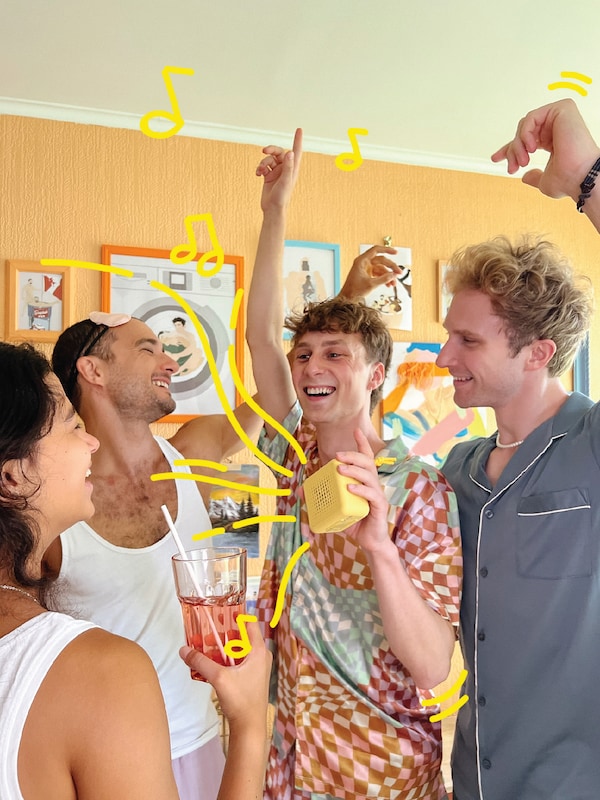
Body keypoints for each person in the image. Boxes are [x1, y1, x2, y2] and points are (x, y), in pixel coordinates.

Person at [343, 98, 600, 800]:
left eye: (468, 341)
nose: (444, 355)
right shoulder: (454, 472)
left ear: (537, 354)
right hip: (476, 781)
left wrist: (587, 181)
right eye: (448, 334)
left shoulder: (592, 446)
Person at [246, 132, 462, 800]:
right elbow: (260, 336)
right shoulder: (292, 448)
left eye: (335, 355)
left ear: (375, 376)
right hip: (293, 756)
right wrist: (275, 209)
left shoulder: (418, 489)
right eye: (304, 355)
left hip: (384, 767)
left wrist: (379, 545)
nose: (311, 367)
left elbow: (432, 663)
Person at [0, 340, 271, 800]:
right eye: (72, 426)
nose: (88, 440)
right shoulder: (104, 671)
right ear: (13, 477)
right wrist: (249, 725)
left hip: (193, 739)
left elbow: (277, 398)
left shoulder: (190, 456)